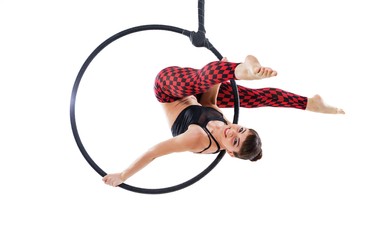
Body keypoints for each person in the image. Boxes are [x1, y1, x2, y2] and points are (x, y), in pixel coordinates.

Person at [103, 55, 344, 187]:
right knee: (251, 97)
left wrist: (123, 175)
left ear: (229, 152)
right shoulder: (227, 124)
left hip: (168, 87)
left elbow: (154, 152)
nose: (233, 131)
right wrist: (219, 76)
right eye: (241, 128)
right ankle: (310, 103)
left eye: (235, 141)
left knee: (203, 77)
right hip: (193, 89)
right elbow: (208, 102)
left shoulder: (198, 140)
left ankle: (240, 69)